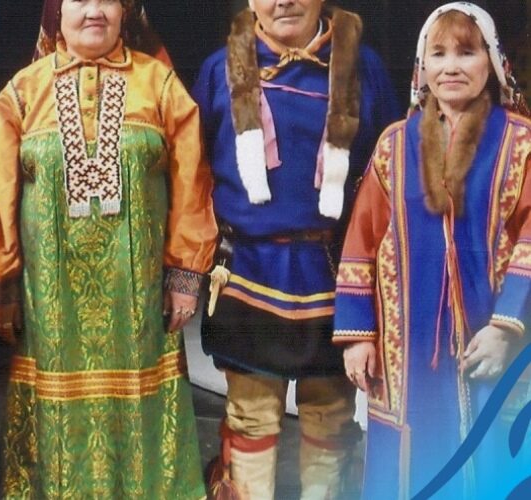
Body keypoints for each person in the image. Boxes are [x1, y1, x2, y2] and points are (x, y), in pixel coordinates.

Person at [0, 0, 216, 497]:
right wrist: (2, 286)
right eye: (79, 0)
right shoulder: (22, 93)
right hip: (49, 306)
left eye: (106, 0)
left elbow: (192, 183)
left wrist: (185, 273)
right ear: (57, 13)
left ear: (124, 12)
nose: (94, 11)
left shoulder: (160, 84)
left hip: (139, 304)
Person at [192, 0, 400, 497]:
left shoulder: (364, 68)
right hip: (247, 269)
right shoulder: (217, 70)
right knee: (251, 415)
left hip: (335, 274)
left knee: (331, 416)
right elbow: (192, 174)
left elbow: (391, 173)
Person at [334, 3, 531, 498]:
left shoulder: (521, 143)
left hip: (493, 341)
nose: (451, 67)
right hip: (406, 350)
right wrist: (359, 335)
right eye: (438, 54)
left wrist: (507, 326)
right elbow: (361, 240)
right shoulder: (393, 145)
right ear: (422, 67)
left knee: (492, 453)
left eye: (466, 52)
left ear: (492, 62)